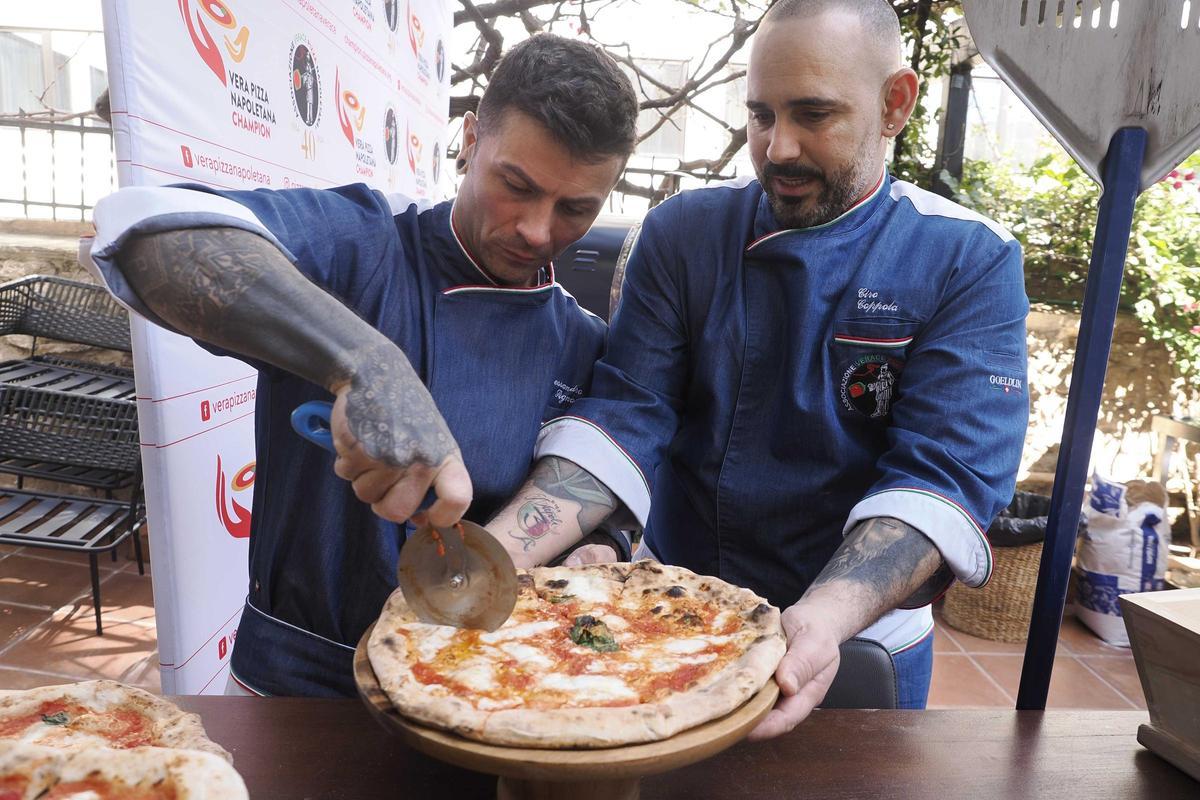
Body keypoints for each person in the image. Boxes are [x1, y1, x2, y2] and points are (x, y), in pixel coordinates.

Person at [487, 0, 1029, 735]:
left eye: (813, 114)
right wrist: (490, 559)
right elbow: (627, 412)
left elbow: (941, 478)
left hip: (858, 640)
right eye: (761, 115)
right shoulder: (684, 233)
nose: (778, 148)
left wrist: (821, 620)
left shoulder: (967, 258)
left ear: (895, 103)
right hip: (671, 625)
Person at [83, 34, 640, 697]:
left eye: (577, 209)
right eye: (515, 186)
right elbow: (151, 236)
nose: (538, 231)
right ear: (468, 139)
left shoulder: (582, 339)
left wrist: (598, 546)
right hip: (296, 686)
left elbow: (594, 499)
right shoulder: (366, 248)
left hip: (479, 683)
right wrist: (366, 363)